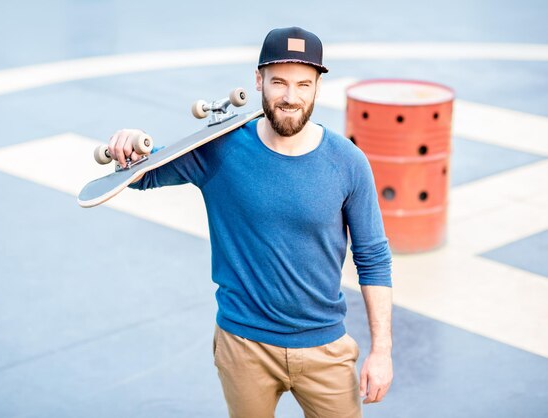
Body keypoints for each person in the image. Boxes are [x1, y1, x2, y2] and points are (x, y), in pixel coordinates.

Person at [108, 26, 393, 418]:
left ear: (317, 87)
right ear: (258, 80)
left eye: (303, 85)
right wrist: (129, 144)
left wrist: (381, 352)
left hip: (326, 348)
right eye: (278, 82)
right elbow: (145, 173)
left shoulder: (348, 162)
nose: (290, 97)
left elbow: (373, 258)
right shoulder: (220, 148)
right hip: (243, 345)